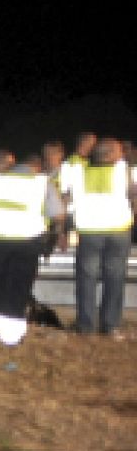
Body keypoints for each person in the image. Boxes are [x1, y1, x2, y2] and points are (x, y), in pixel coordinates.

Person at [0, 154, 63, 346]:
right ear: (36, 167)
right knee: (18, 286)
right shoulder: (42, 182)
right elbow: (57, 213)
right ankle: (11, 335)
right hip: (27, 242)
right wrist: (54, 234)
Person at [66, 138, 133, 337]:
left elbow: (68, 196)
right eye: (119, 151)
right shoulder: (122, 169)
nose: (122, 154)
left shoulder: (78, 171)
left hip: (89, 231)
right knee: (115, 278)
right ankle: (110, 325)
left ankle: (85, 325)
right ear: (109, 154)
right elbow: (133, 192)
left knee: (86, 278)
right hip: (118, 230)